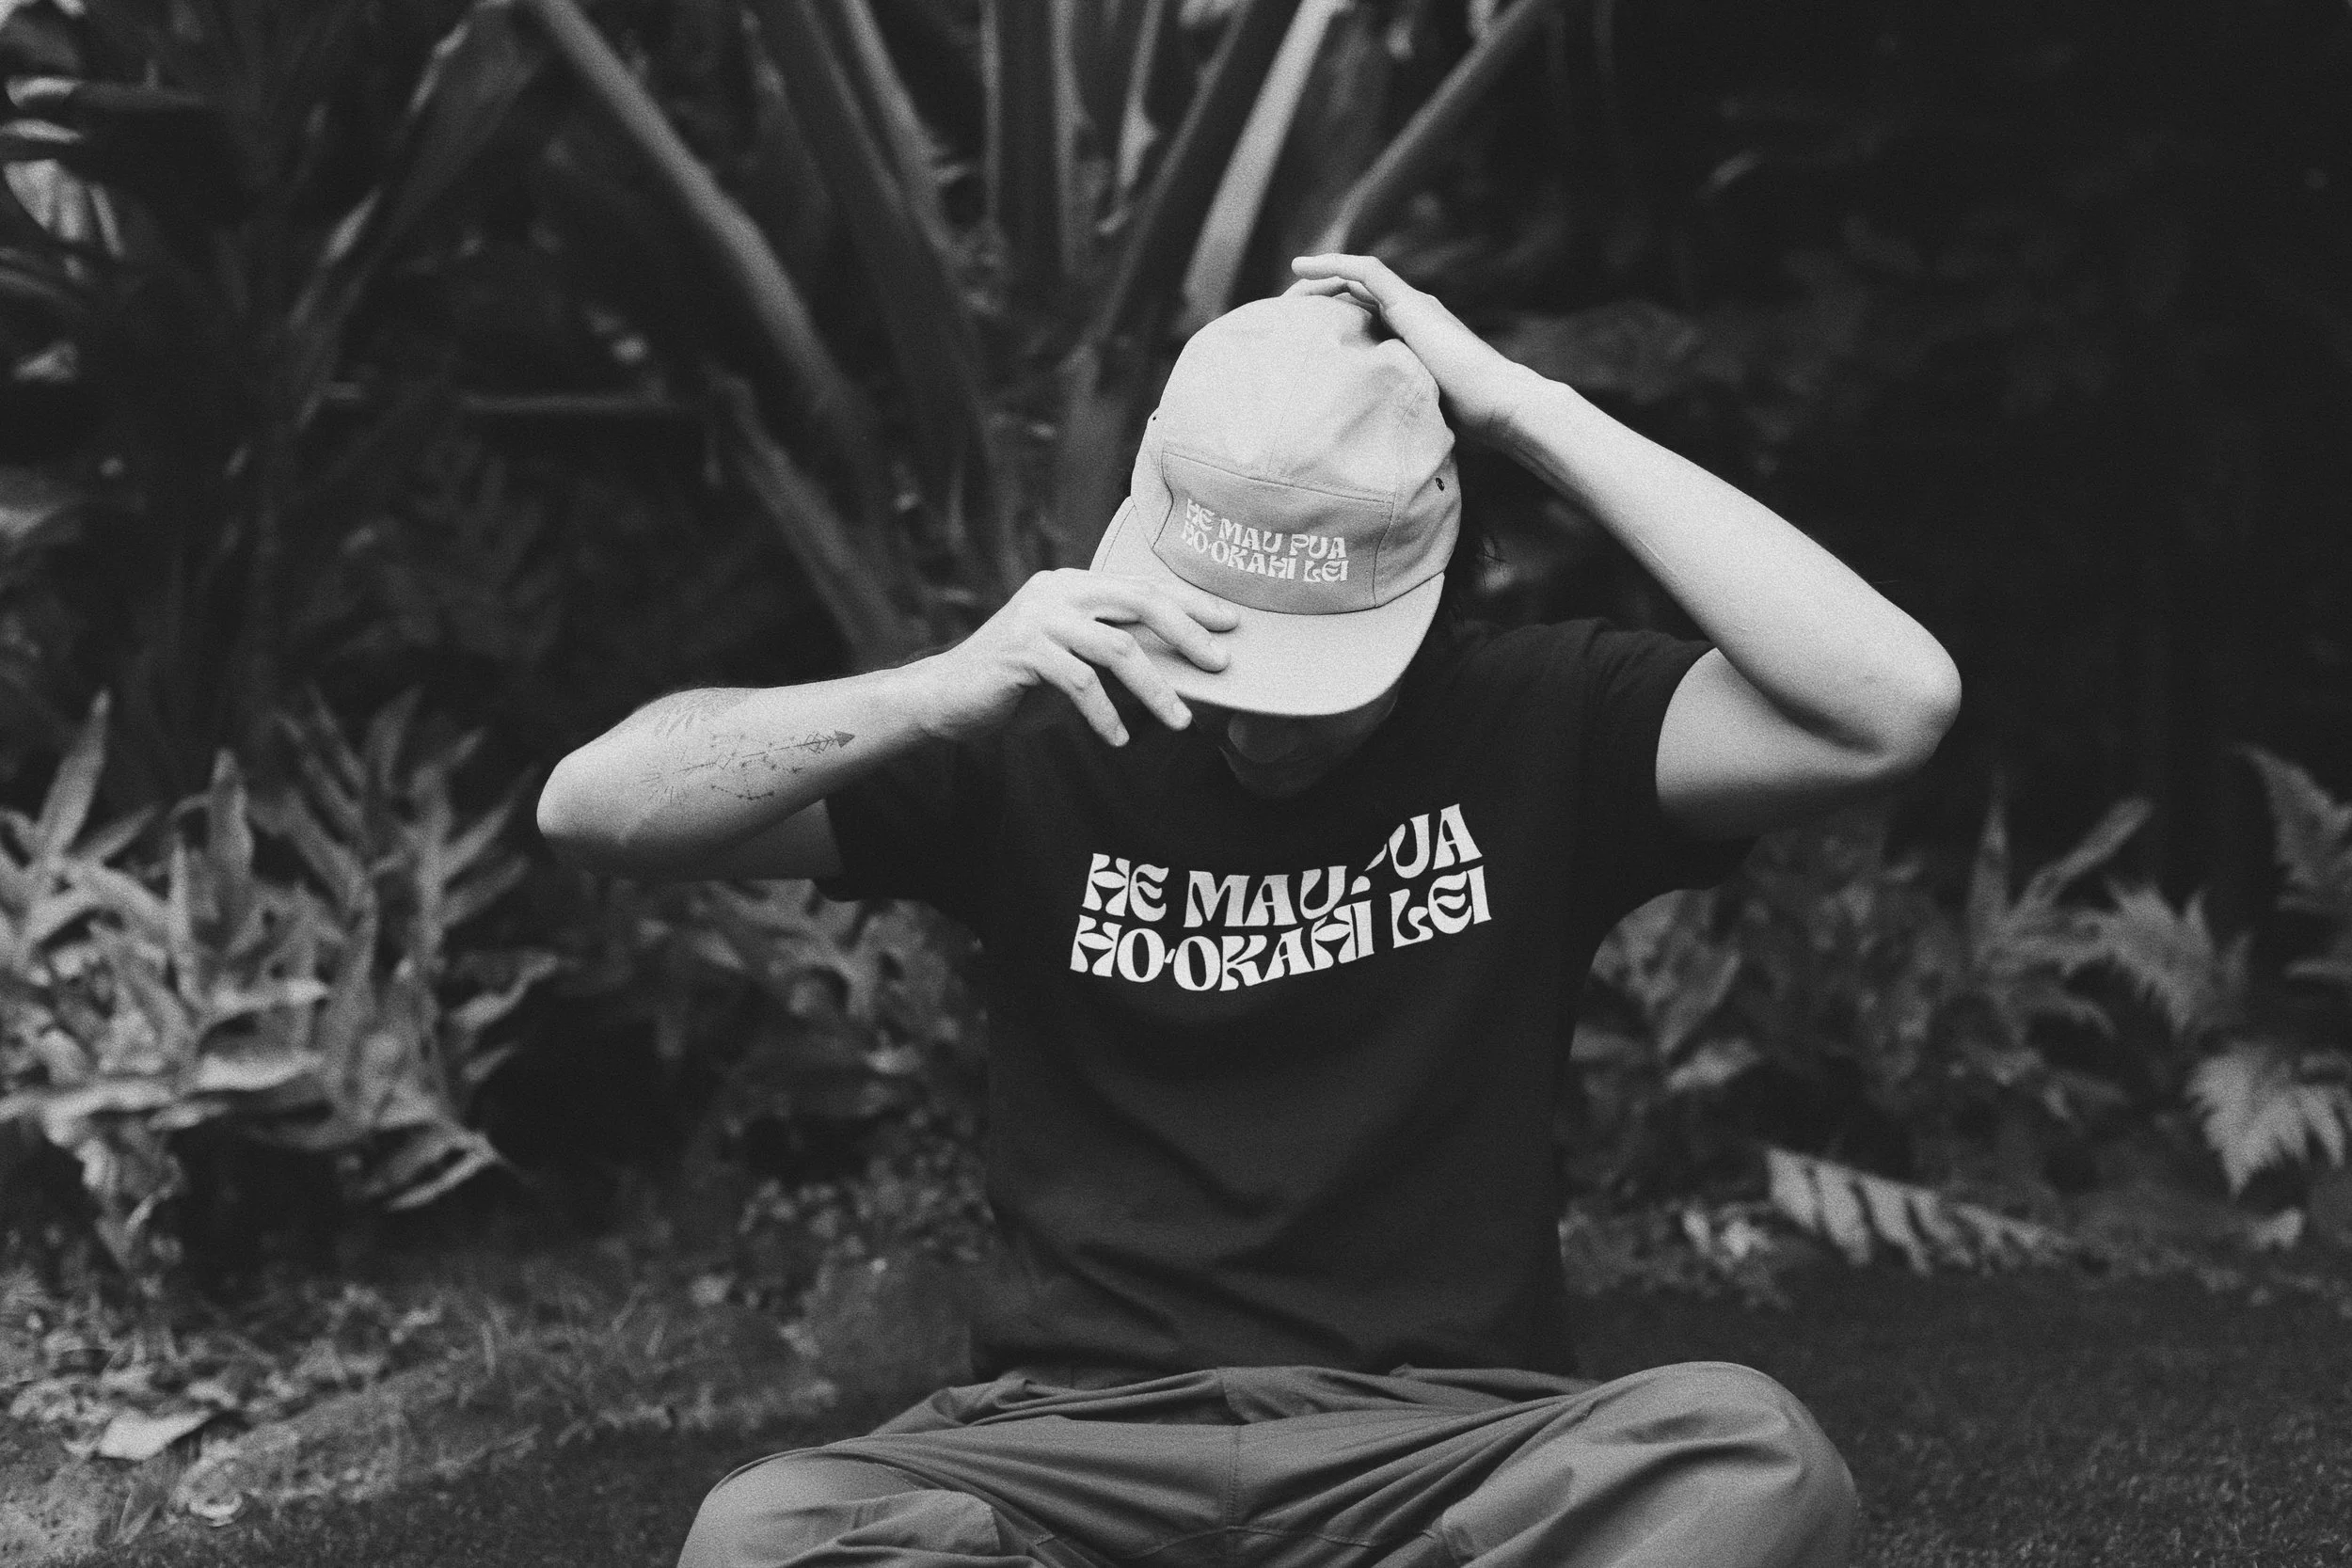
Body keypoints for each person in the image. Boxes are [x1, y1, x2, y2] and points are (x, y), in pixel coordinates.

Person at [538, 254, 1960, 1568]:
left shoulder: (1545, 722)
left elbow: (1886, 707)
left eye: (1317, 679)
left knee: (1755, 1454)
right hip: (1068, 1450)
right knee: (761, 1533)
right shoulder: (1039, 717)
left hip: (1437, 1452)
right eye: (1225, 652)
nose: (1265, 727)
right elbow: (594, 809)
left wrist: (1524, 411)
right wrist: (928, 690)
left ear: (1434, 583)